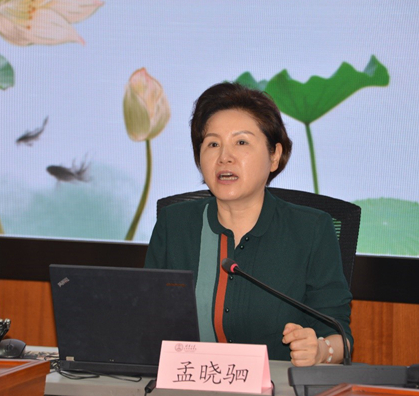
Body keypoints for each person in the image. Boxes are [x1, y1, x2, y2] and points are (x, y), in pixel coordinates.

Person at [144, 82, 353, 366]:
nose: (224, 157)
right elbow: (149, 322)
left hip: (278, 384)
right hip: (189, 382)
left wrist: (319, 350)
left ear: (274, 155)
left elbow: (340, 336)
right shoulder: (174, 225)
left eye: (241, 142)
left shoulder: (311, 230)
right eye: (213, 144)